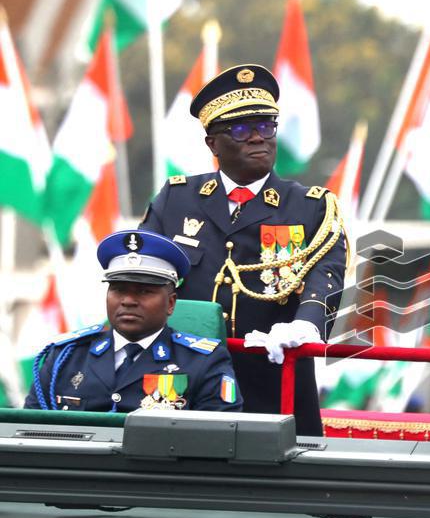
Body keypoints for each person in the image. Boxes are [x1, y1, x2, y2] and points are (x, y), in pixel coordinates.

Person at [139, 64, 347, 436]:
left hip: (271, 377)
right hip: (184, 377)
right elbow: (143, 275)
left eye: (266, 126)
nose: (257, 138)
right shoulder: (177, 198)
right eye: (240, 129)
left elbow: (327, 273)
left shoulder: (310, 206)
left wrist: (306, 324)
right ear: (212, 143)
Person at [25, 230, 242, 414]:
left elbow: (218, 442)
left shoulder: (203, 362)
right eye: (118, 289)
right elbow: (28, 432)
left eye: (144, 291)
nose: (128, 301)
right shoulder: (66, 356)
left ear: (170, 303)